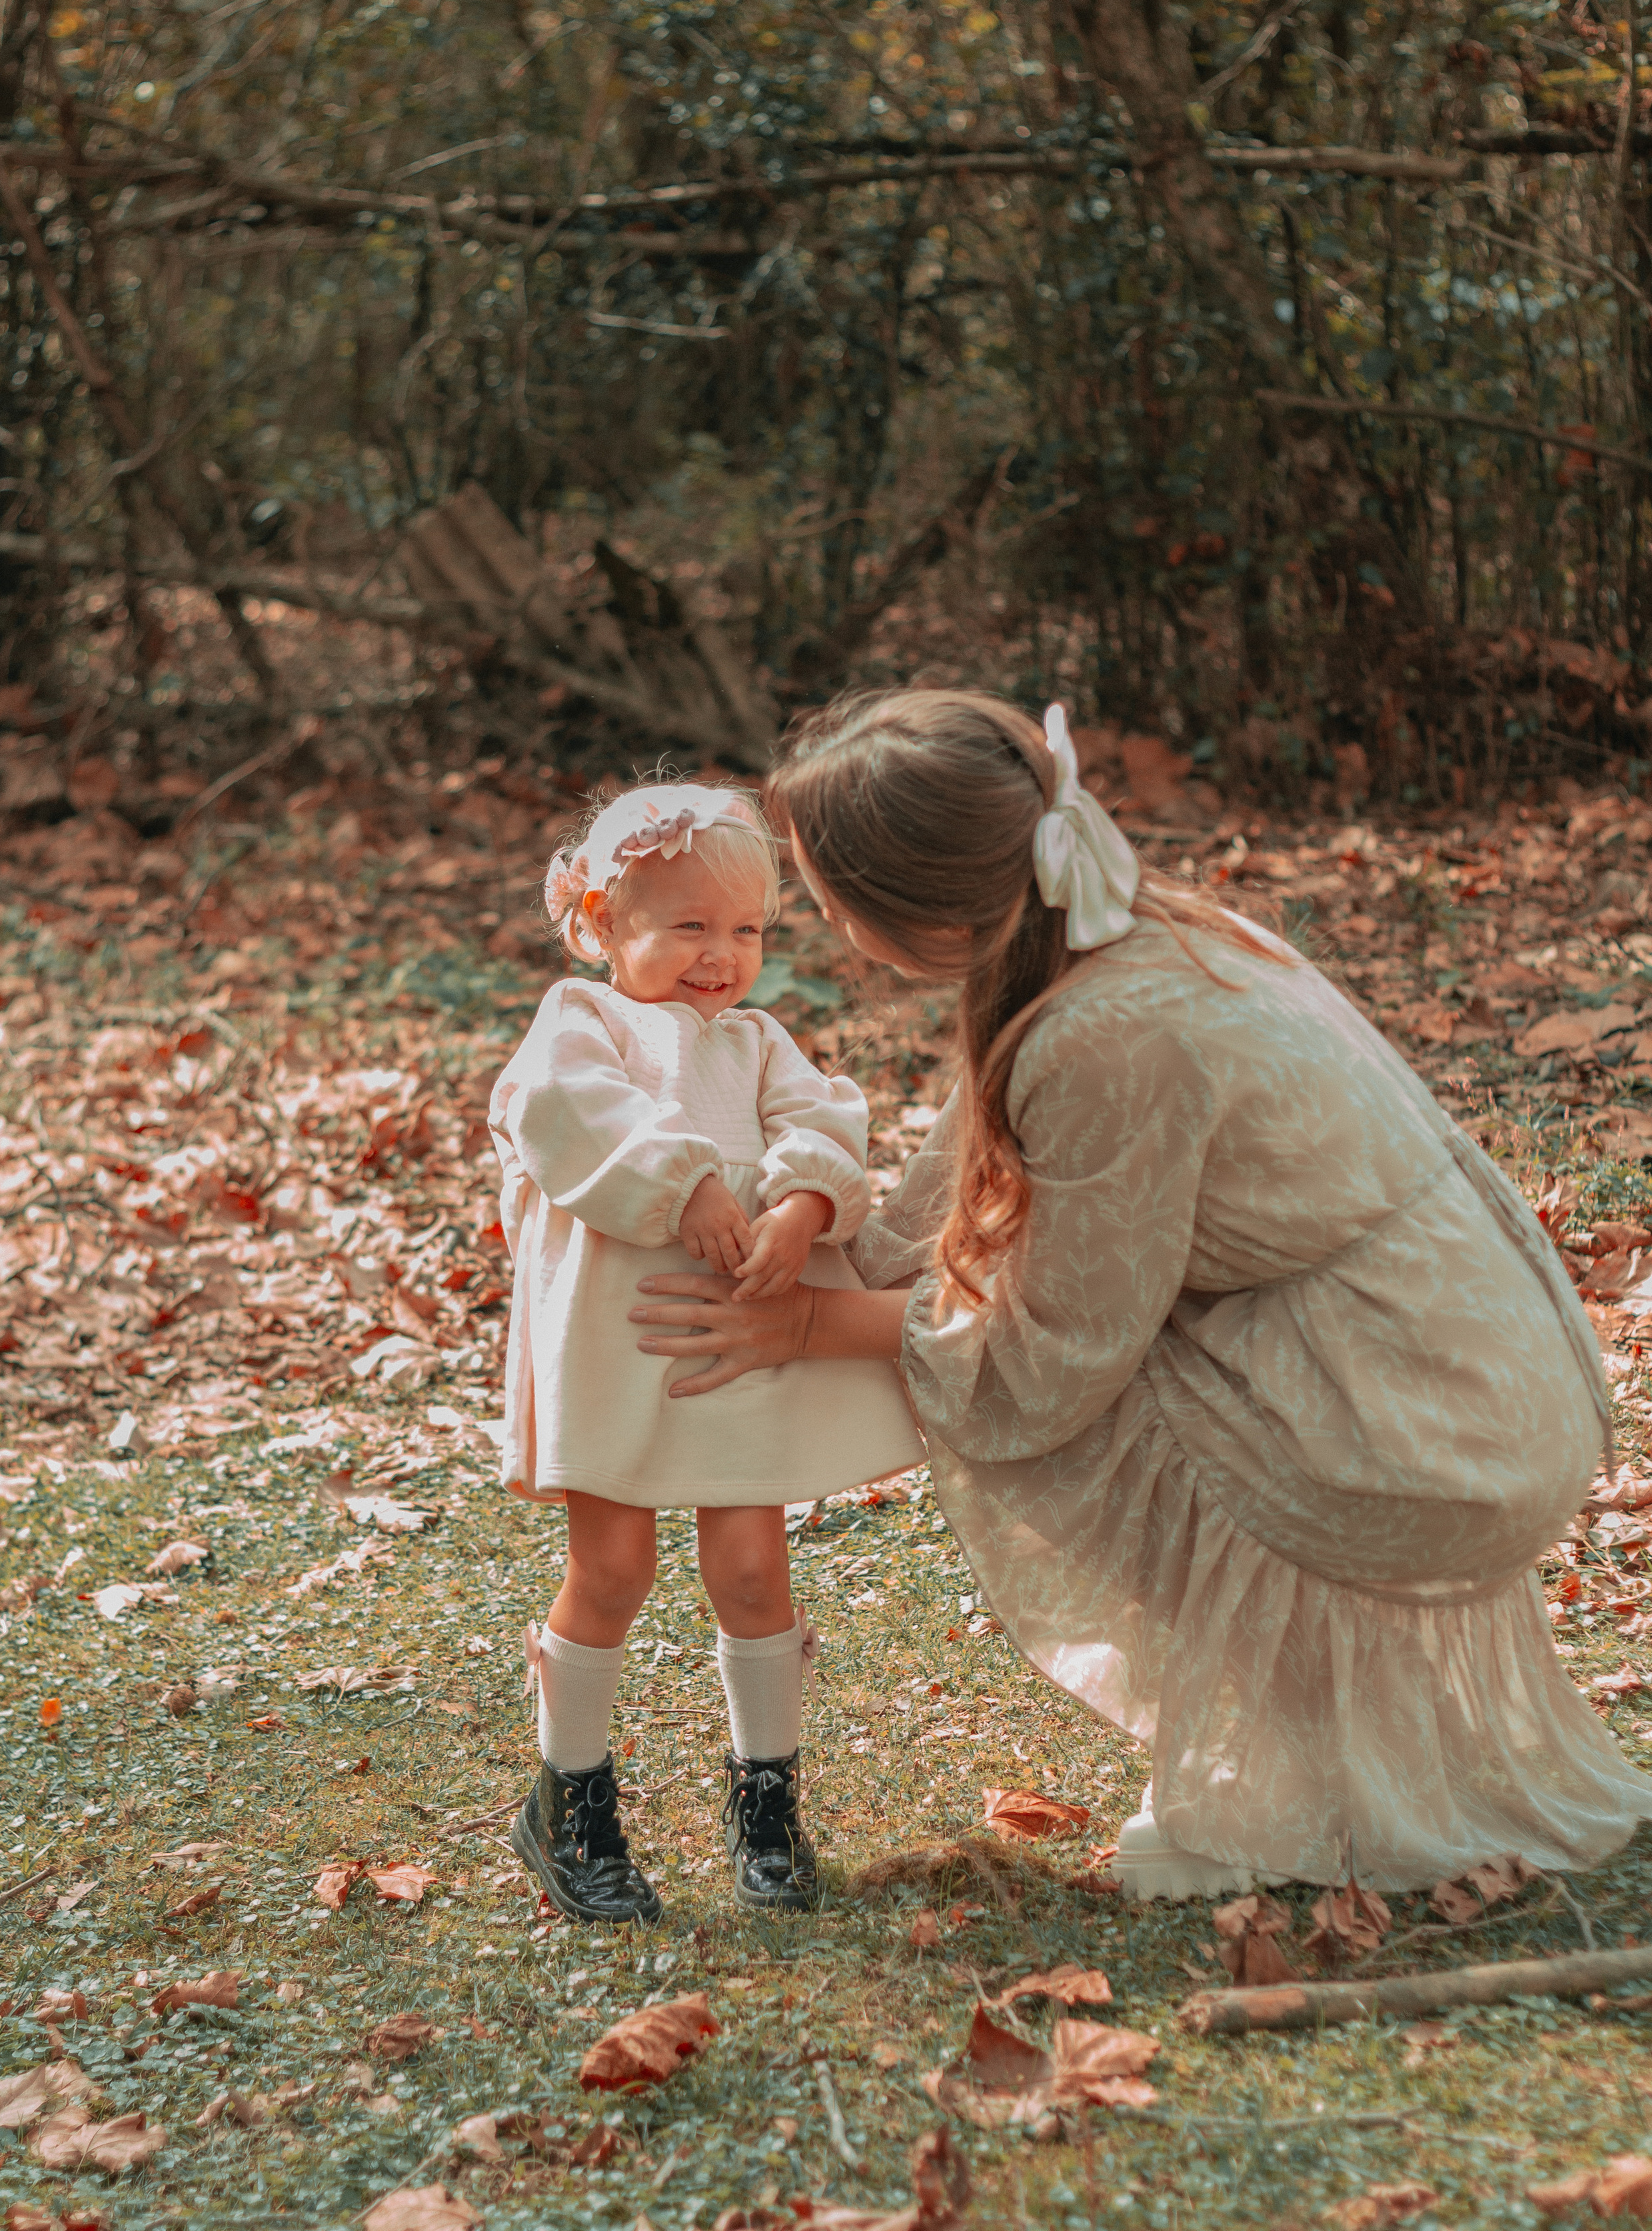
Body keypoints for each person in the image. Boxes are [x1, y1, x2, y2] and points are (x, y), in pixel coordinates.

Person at [626, 689, 1652, 1898]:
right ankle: (1309, 1740)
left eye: (832, 900)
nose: (835, 933)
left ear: (911, 906)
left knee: (1091, 1406)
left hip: (1430, 1410)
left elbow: (1051, 1351)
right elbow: (968, 1172)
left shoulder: (1107, 1032)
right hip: (1472, 1360)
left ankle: (1299, 1775)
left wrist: (813, 1322)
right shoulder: (1108, 929)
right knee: (1094, 1356)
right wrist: (827, 1225)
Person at [487, 781, 922, 1926]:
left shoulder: (759, 1041)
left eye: (747, 932)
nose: (720, 957)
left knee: (749, 1567)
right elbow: (569, 1113)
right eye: (687, 926)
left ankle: (766, 1799)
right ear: (601, 926)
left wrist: (799, 1212)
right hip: (621, 1333)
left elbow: (824, 1123)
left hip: (735, 1332)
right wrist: (682, 1184)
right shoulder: (583, 1023)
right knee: (616, 1567)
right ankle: (570, 1798)